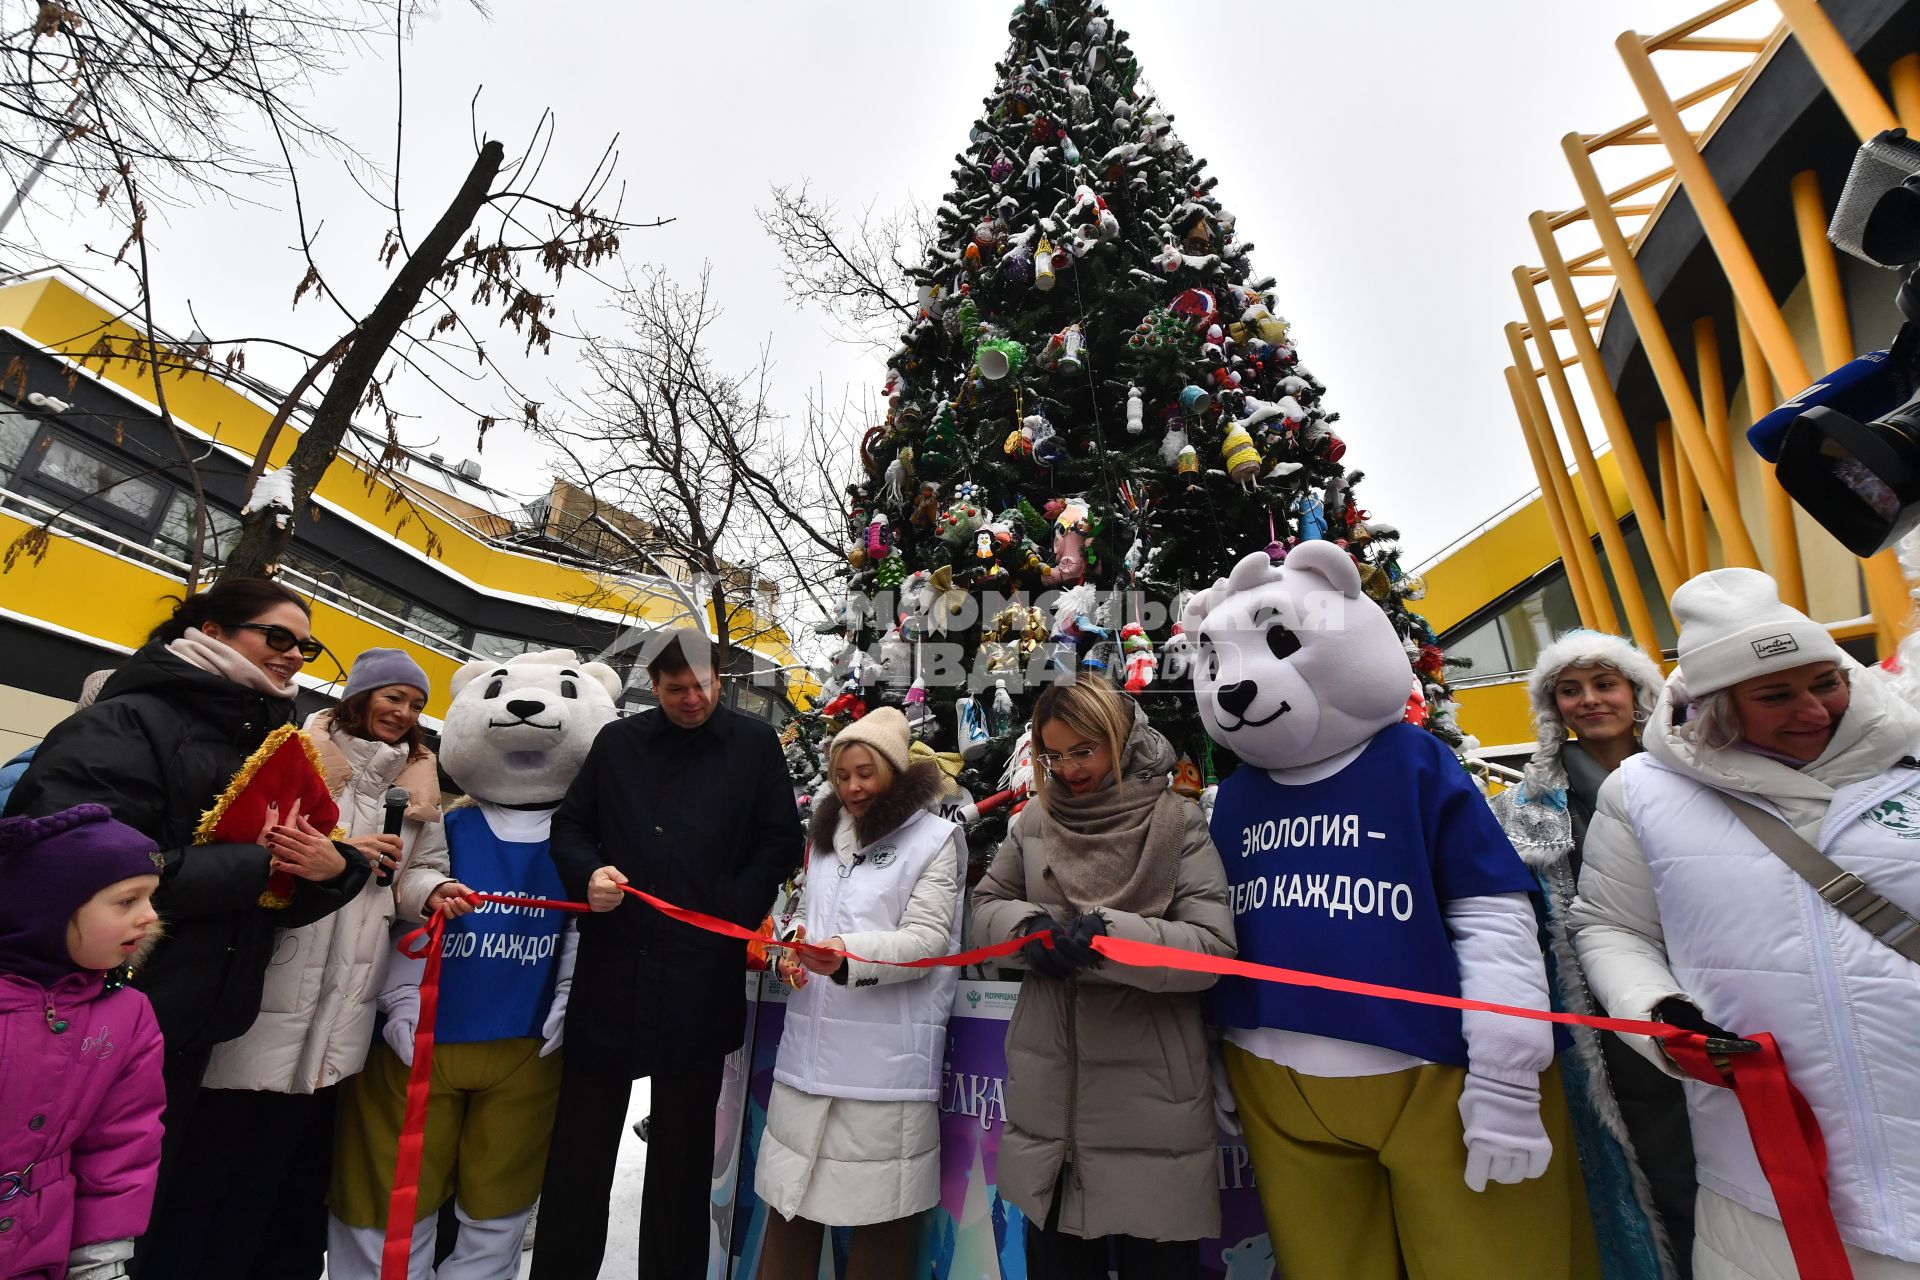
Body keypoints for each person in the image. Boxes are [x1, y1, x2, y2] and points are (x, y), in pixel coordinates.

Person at [1571, 568, 1920, 1278]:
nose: (1816, 710)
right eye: (1776, 695)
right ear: (1717, 705)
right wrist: (1659, 1012)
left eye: (1827, 681)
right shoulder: (1641, 793)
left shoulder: (1910, 762)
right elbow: (1611, 927)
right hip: (1766, 1176)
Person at [4, 577, 370, 1251]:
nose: (294, 655)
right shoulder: (129, 721)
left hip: (191, 1027)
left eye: (307, 645)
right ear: (211, 633)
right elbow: (69, 868)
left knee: (132, 1219)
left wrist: (329, 871)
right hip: (93, 1020)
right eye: (277, 636)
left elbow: (265, 898)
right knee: (59, 1218)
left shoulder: (269, 741)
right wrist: (253, 864)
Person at [149, 649, 464, 1277]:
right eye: (393, 698)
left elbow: (406, 874)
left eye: (416, 705)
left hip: (344, 1001)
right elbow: (252, 849)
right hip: (267, 986)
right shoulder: (296, 759)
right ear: (360, 697)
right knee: (208, 1167)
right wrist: (342, 853)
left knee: (277, 1177)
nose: (403, 714)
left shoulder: (420, 791)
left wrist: (427, 890)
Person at [532, 630, 803, 1279]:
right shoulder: (619, 744)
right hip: (613, 971)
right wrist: (589, 873)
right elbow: (570, 826)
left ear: (721, 678)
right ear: (652, 686)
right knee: (578, 1154)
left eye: (704, 685)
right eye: (677, 687)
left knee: (681, 1161)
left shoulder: (754, 745)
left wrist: (728, 911)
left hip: (699, 978)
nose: (693, 698)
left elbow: (779, 842)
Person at [972, 675, 1236, 1280]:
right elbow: (984, 908)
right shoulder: (1035, 821)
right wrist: (1029, 931)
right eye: (1054, 755)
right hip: (1050, 1108)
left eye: (1083, 751)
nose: (1068, 769)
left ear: (1118, 739)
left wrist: (1112, 940)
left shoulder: (1176, 822)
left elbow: (1214, 949)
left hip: (1151, 1105)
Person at [1491, 632, 1694, 1280]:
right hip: (1617, 1017)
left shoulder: (1698, 773)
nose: (1588, 701)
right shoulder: (1532, 805)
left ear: (1637, 692)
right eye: (1570, 690)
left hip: (1722, 983)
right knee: (1664, 1165)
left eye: (1604, 684)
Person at [754, 707, 965, 1280]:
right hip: (806, 1063)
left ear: (895, 772)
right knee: (788, 1210)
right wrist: (790, 951)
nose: (853, 787)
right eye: (842, 774)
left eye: (866, 772)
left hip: (883, 1073)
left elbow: (926, 941)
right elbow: (802, 916)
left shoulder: (935, 839)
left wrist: (846, 955)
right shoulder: (823, 840)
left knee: (881, 1226)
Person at [0, 804, 166, 1280]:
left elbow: (123, 1144)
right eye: (126, 900)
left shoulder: (126, 1014)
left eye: (152, 897)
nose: (150, 916)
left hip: (36, 1249)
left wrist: (100, 1259)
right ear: (50, 907)